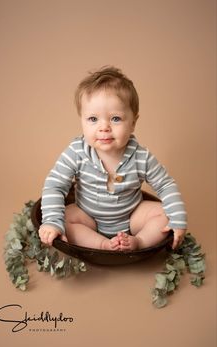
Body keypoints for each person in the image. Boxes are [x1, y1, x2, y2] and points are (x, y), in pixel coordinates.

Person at [39, 66, 187, 251]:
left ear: (133, 123)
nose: (104, 127)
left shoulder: (141, 157)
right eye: (93, 119)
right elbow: (55, 185)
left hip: (132, 217)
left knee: (164, 214)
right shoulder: (77, 152)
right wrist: (52, 221)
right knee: (65, 217)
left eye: (115, 118)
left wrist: (178, 218)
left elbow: (165, 185)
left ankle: (138, 241)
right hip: (88, 218)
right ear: (81, 120)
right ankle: (102, 244)